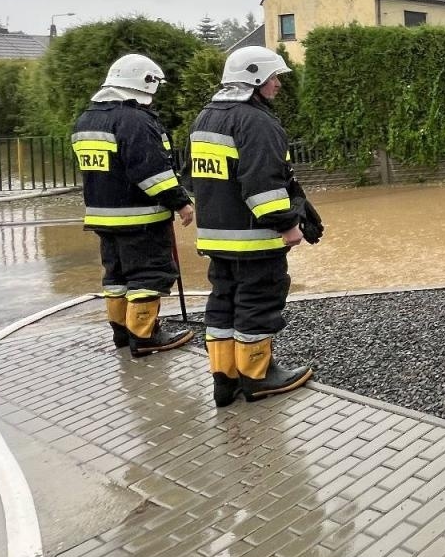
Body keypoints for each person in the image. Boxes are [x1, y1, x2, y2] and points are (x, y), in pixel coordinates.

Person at [190, 46, 319, 406]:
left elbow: (196, 177)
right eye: (273, 77)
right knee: (256, 302)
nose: (278, 84)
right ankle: (258, 376)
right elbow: (261, 183)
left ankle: (225, 379)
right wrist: (287, 225)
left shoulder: (206, 118)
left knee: (223, 303)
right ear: (255, 79)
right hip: (254, 239)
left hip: (217, 237)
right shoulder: (256, 122)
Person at [70, 53, 196, 356]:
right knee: (148, 276)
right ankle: (145, 336)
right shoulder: (134, 121)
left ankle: (123, 334)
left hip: (103, 217)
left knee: (116, 278)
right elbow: (151, 171)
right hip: (140, 219)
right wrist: (181, 203)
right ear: (145, 83)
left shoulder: (86, 119)